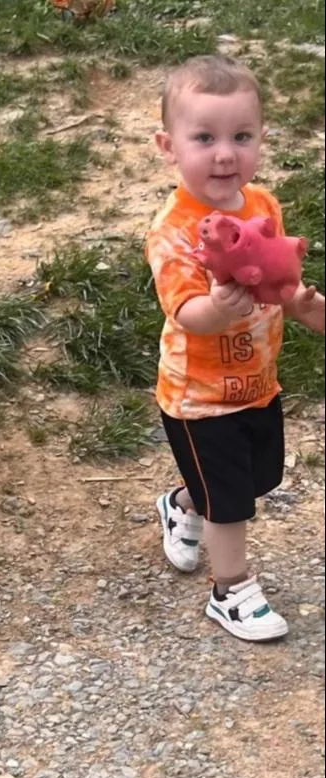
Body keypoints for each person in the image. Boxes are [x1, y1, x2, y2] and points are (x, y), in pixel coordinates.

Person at [144, 54, 325, 641]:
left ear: (261, 139)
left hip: (257, 383)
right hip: (197, 398)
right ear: (168, 147)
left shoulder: (263, 206)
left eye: (241, 137)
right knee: (231, 503)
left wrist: (304, 304)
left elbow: (278, 282)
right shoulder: (173, 230)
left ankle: (182, 504)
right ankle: (231, 591)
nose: (225, 154)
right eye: (205, 138)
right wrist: (217, 309)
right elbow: (185, 313)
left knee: (258, 479)